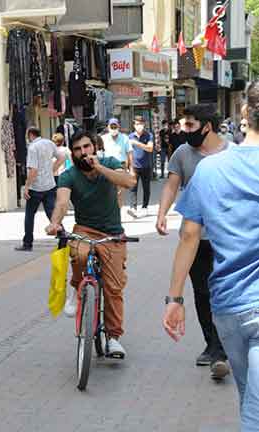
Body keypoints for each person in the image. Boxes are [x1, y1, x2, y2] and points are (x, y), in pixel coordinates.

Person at [163, 82, 259, 430]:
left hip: (230, 307)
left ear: (245, 114)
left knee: (250, 393)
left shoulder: (210, 170)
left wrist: (174, 299)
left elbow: (189, 235)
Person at [156, 104, 231, 381]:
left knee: (222, 292)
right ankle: (213, 345)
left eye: (189, 126)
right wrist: (162, 213)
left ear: (207, 126)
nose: (184, 131)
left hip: (226, 239)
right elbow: (171, 186)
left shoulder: (230, 153)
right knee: (202, 293)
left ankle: (221, 350)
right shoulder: (182, 154)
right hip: (195, 240)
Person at [46, 132, 136, 355]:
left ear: (95, 147)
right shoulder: (69, 175)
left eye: (87, 147)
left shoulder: (109, 163)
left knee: (114, 288)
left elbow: (129, 181)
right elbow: (62, 202)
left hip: (112, 233)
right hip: (85, 229)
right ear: (72, 153)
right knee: (79, 253)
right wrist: (55, 223)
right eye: (77, 149)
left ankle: (113, 338)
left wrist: (100, 168)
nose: (83, 152)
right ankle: (77, 288)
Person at [15, 127, 66, 252]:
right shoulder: (49, 143)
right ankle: (63, 236)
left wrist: (26, 187)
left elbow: (33, 170)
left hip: (36, 188)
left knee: (29, 216)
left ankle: (28, 243)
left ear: (30, 135)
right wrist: (52, 170)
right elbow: (62, 157)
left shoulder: (32, 148)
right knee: (52, 213)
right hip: (50, 185)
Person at [128, 116, 155, 218]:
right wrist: (128, 165)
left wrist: (137, 143)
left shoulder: (149, 135)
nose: (139, 126)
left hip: (146, 165)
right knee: (133, 187)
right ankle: (133, 208)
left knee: (146, 187)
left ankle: (145, 207)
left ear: (144, 125)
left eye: (141, 124)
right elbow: (128, 151)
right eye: (137, 124)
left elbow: (150, 148)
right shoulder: (130, 136)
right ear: (134, 125)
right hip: (134, 165)